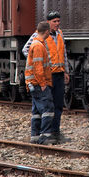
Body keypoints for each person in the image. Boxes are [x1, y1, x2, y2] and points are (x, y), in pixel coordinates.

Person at [22, 11, 68, 141]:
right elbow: (26, 50)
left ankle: (55, 132)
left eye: (58, 21)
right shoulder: (38, 36)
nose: (57, 24)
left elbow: (64, 53)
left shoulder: (60, 34)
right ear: (48, 23)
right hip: (47, 75)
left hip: (59, 74)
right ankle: (44, 134)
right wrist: (39, 63)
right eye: (54, 21)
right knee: (47, 106)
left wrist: (66, 71)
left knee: (58, 105)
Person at [24, 21, 55, 144]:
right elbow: (38, 68)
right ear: (46, 31)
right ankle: (45, 136)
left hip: (33, 83)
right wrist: (43, 84)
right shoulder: (38, 46)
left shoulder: (36, 44)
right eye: (49, 32)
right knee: (48, 108)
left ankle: (35, 136)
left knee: (36, 111)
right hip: (38, 83)